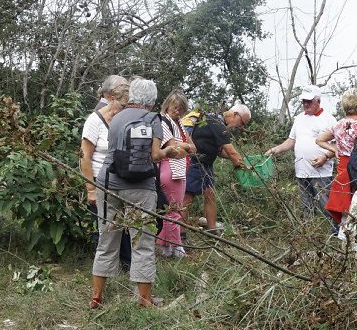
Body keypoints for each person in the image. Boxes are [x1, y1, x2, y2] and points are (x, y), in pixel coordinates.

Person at [91, 78, 189, 309]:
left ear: (132, 96)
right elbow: (155, 155)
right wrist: (171, 152)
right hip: (141, 186)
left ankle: (96, 297)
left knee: (106, 240)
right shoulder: (153, 119)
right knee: (142, 242)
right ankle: (145, 300)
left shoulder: (116, 117)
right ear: (153, 101)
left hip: (108, 182)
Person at [265, 85, 338, 224]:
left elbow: (337, 145)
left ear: (318, 101)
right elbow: (291, 140)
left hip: (321, 173)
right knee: (307, 208)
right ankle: (309, 232)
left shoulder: (329, 119)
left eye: (309, 101)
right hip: (302, 172)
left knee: (327, 207)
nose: (305, 104)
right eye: (304, 101)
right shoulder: (299, 118)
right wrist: (276, 149)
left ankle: (335, 233)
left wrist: (325, 157)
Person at [80, 75, 131, 269]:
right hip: (100, 183)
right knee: (102, 227)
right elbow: (84, 156)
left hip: (122, 181)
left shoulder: (123, 121)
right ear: (111, 99)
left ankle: (127, 265)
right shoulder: (94, 120)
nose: (125, 110)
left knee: (124, 225)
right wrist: (91, 189)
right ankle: (103, 268)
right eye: (123, 105)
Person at [181, 103, 250, 232]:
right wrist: (248, 168)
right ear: (235, 114)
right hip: (194, 162)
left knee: (210, 196)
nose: (241, 127)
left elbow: (221, 151)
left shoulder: (218, 122)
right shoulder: (216, 123)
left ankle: (212, 231)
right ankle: (180, 236)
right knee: (187, 198)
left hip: (207, 165)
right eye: (242, 123)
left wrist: (239, 160)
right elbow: (231, 152)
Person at [315, 87, 357, 225]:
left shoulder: (339, 125)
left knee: (345, 219)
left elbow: (319, 139)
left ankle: (343, 239)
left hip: (343, 174)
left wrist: (335, 150)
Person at [156, 91, 196, 258]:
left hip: (178, 170)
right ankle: (177, 249)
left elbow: (193, 148)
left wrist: (184, 147)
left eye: (181, 109)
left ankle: (166, 250)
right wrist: (185, 147)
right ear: (167, 106)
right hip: (170, 170)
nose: (177, 112)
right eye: (174, 108)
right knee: (174, 212)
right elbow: (175, 149)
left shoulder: (179, 123)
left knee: (169, 211)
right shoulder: (163, 121)